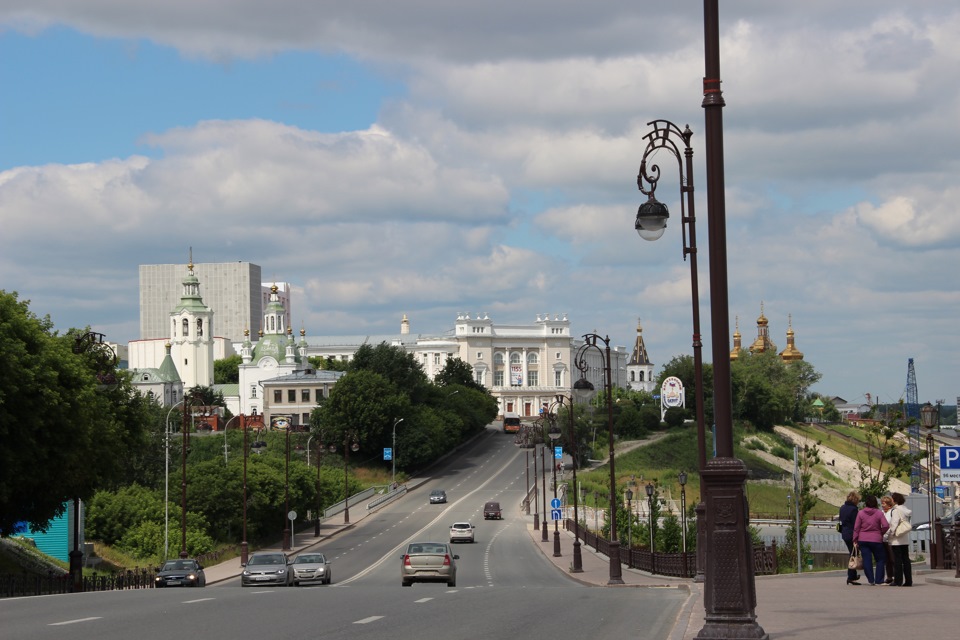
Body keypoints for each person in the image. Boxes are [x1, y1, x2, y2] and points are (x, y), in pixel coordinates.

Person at [853, 494, 890, 585]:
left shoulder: (860, 513)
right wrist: (881, 533)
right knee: (880, 559)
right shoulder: (879, 513)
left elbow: (856, 528)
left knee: (867, 559)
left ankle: (870, 580)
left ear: (866, 503)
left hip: (863, 539)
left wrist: (855, 539)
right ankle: (879, 580)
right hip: (876, 539)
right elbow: (885, 525)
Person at [887, 492, 913, 587]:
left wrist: (890, 535)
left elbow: (894, 524)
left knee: (897, 560)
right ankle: (908, 580)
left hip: (897, 539)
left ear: (895, 500)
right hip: (905, 538)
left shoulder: (896, 510)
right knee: (906, 559)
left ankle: (898, 580)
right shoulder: (905, 510)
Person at [838, 491, 861, 585]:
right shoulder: (853, 510)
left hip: (844, 533)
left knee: (852, 553)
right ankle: (851, 576)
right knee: (853, 554)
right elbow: (856, 523)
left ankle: (853, 575)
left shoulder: (842, 508)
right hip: (851, 533)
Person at [880, 496, 896, 584]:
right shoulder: (882, 513)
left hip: (890, 538)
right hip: (883, 539)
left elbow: (891, 525)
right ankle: (889, 576)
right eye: (882, 503)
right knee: (887, 559)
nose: (882, 505)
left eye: (884, 503)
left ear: (889, 505)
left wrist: (886, 533)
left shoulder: (892, 513)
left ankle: (895, 576)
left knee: (892, 558)